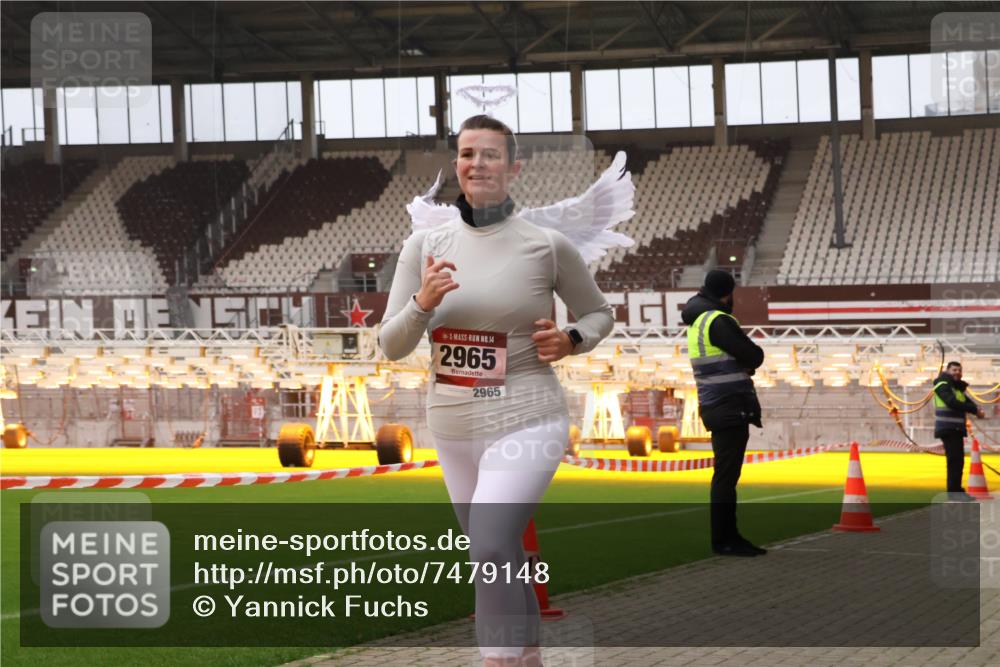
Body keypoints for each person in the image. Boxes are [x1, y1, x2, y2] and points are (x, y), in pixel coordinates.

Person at [378, 115, 625, 666]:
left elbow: (599, 313)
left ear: (514, 168)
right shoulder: (424, 246)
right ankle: (528, 656)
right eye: (468, 154)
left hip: (526, 414)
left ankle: (497, 660)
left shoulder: (546, 245)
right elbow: (390, 344)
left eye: (491, 154)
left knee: (489, 546)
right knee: (498, 552)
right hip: (452, 423)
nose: (478, 164)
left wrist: (572, 339)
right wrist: (421, 304)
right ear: (457, 165)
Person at [681, 270, 767, 557]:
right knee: (726, 478)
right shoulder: (717, 320)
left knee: (725, 476)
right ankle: (726, 540)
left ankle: (728, 537)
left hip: (716, 403)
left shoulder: (698, 321)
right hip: (729, 405)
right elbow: (754, 355)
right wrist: (747, 363)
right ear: (728, 293)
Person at [933, 361, 986, 500]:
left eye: (959, 370)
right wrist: (974, 410)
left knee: (957, 462)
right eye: (954, 370)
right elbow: (952, 402)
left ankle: (956, 491)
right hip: (948, 428)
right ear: (947, 371)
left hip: (955, 429)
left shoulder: (955, 388)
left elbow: (966, 401)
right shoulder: (942, 385)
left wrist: (977, 410)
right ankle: (954, 494)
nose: (957, 372)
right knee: (955, 462)